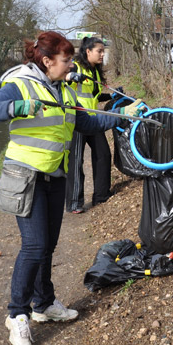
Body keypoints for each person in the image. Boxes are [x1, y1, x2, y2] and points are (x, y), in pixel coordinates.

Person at [0, 31, 142, 345]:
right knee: (35, 245)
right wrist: (17, 107)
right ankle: (17, 314)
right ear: (47, 60)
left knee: (48, 245)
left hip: (55, 176)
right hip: (26, 176)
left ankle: (44, 303)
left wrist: (121, 118)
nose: (70, 66)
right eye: (66, 61)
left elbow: (86, 123)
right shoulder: (21, 84)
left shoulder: (63, 89)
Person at [65, 37, 113, 214]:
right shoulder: (75, 67)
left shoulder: (95, 72)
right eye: (99, 51)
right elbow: (63, 83)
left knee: (103, 155)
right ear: (88, 52)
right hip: (77, 120)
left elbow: (93, 95)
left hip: (93, 120)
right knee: (75, 161)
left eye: (103, 51)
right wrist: (70, 76)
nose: (102, 54)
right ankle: (74, 203)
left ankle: (101, 195)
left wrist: (110, 97)